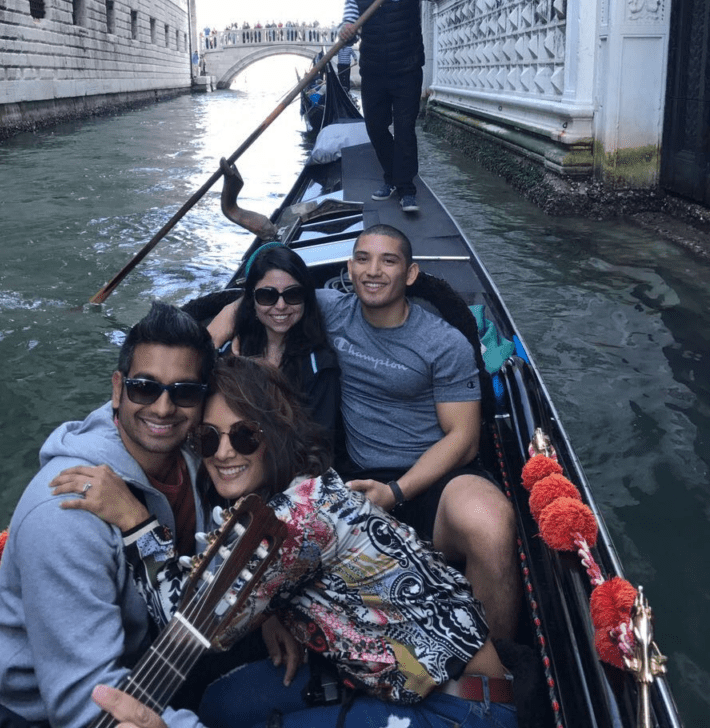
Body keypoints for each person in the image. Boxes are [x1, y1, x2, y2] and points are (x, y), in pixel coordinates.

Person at [71, 355, 517, 728]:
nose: (224, 453)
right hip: (404, 678)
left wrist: (134, 519)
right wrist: (269, 613)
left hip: (460, 710)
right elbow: (281, 572)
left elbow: (183, 618)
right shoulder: (305, 489)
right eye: (207, 438)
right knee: (221, 706)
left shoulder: (294, 517)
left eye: (245, 435)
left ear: (274, 435)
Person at [208, 225, 521, 641]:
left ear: (410, 274)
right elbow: (251, 302)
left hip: (434, 477)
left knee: (490, 522)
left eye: (387, 260)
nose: (372, 271)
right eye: (362, 259)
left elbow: (463, 439)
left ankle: (494, 668)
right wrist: (200, 353)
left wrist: (395, 492)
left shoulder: (444, 343)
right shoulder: (328, 307)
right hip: (351, 473)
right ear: (350, 269)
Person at [0, 302, 216, 728]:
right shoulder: (66, 513)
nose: (163, 408)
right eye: (145, 388)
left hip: (155, 658)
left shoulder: (195, 458)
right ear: (118, 389)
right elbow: (83, 704)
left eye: (184, 391)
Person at [337, 0, 448, 213]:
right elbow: (350, 23)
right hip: (373, 69)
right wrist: (345, 32)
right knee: (375, 127)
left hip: (407, 67)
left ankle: (406, 189)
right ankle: (392, 178)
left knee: (405, 128)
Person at [221, 242, 340, 444]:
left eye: (293, 295)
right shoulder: (230, 352)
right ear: (252, 300)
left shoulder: (320, 366)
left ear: (306, 299)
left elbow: (319, 440)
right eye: (268, 296)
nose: (281, 306)